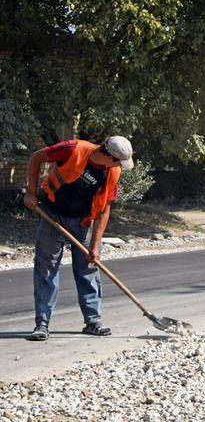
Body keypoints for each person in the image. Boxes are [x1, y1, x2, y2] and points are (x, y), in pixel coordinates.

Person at [23, 136, 134, 341]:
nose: (119, 166)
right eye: (118, 161)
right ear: (108, 156)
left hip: (83, 222)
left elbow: (104, 210)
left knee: (89, 267)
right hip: (52, 213)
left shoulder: (112, 172)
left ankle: (93, 322)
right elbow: (35, 158)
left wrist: (95, 246)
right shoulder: (73, 149)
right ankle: (42, 324)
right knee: (46, 267)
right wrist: (31, 192)